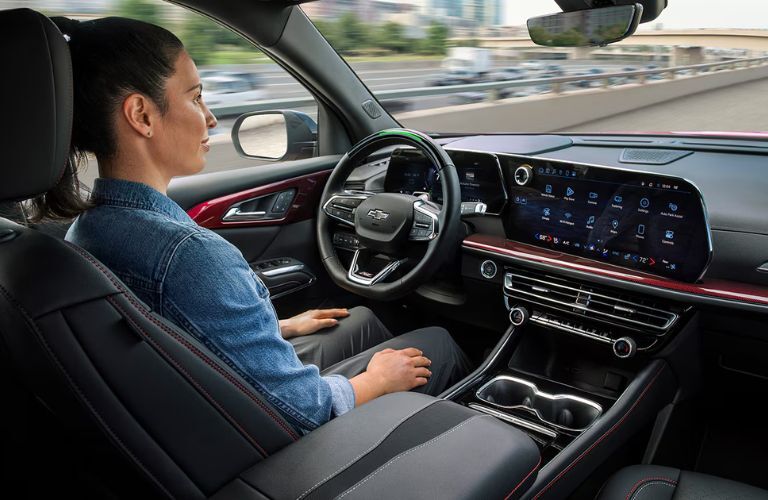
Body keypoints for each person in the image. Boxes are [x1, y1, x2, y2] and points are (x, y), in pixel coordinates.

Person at [33, 16, 471, 434]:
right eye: (195, 96)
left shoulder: (87, 230)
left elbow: (167, 339)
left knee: (358, 321)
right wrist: (377, 381)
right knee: (438, 343)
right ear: (142, 115)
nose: (210, 118)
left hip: (200, 412)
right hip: (280, 444)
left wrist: (276, 328)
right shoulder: (188, 254)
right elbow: (304, 410)